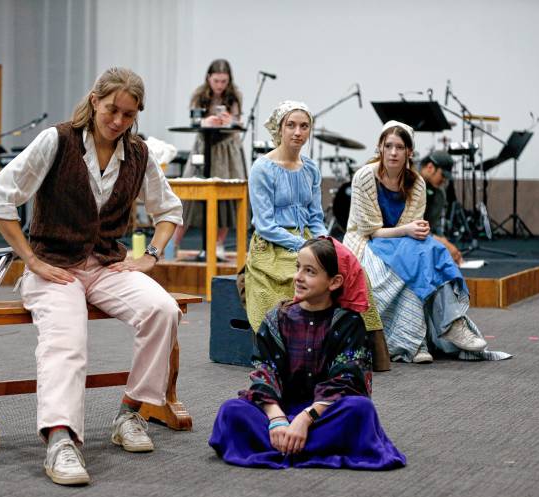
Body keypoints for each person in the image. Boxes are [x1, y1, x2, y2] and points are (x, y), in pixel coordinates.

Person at [0, 67, 184, 486]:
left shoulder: (139, 154)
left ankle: (132, 412)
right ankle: (61, 439)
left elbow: (170, 212)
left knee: (163, 309)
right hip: (55, 266)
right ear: (94, 101)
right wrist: (30, 261)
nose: (118, 122)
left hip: (107, 265)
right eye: (112, 110)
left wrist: (153, 256)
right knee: (67, 338)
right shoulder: (57, 141)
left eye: (129, 115)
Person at [209, 237, 406, 470]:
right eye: (297, 268)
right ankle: (299, 444)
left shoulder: (348, 323)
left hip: (324, 414)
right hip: (280, 412)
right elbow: (265, 372)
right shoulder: (277, 318)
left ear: (334, 282)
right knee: (231, 412)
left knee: (361, 411)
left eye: (310, 271)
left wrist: (305, 418)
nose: (298, 277)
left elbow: (348, 380)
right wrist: (276, 419)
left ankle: (284, 446)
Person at [344, 120, 511, 364]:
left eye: (399, 147)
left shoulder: (417, 183)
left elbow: (412, 234)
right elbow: (371, 230)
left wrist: (416, 230)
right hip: (367, 242)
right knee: (421, 256)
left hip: (400, 243)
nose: (393, 152)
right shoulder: (365, 177)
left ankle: (436, 330)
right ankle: (434, 332)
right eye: (388, 146)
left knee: (430, 249)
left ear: (409, 152)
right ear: (379, 148)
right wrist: (408, 229)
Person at [243, 100, 328, 334]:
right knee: (290, 281)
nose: (298, 132)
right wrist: (304, 245)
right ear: (280, 128)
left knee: (350, 270)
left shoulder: (311, 168)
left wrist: (324, 241)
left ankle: (345, 345)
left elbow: (316, 217)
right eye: (291, 125)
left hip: (309, 239)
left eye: (304, 126)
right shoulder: (262, 168)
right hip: (272, 244)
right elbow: (266, 226)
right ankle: (288, 348)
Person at [175, 59, 246, 259]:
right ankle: (172, 245)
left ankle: (218, 244)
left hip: (227, 150)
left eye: (224, 81)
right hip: (204, 147)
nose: (220, 85)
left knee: (226, 198)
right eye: (216, 81)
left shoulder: (234, 96)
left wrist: (230, 121)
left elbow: (238, 121)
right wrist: (206, 121)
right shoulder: (200, 95)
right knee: (188, 195)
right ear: (209, 78)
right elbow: (194, 120)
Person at [419, 152, 463, 264]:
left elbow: (435, 226)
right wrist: (442, 243)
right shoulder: (408, 184)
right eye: (442, 175)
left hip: (423, 238)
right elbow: (408, 225)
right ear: (430, 167)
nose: (444, 180)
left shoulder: (439, 193)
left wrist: (446, 246)